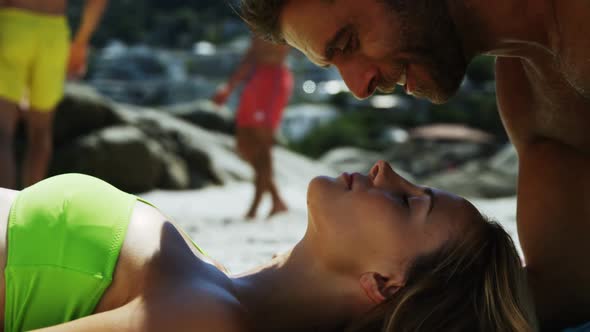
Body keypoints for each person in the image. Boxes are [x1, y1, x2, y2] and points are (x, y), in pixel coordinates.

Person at [238, 0, 590, 329]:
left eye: (348, 43)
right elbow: (562, 289)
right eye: (334, 64)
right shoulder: (528, 88)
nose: (359, 87)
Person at [0, 161, 536, 331]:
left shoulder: (205, 319)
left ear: (383, 284)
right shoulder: (213, 286)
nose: (384, 170)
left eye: (407, 203)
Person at [0, 0, 108, 189]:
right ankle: (33, 212)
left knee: (3, 131)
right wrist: (81, 42)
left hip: (12, 24)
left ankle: (1, 209)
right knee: (41, 131)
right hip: (53, 31)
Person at [212, 36, 293, 220]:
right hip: (257, 81)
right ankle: (277, 199)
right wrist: (229, 88)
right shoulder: (259, 17)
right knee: (244, 144)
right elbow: (251, 56)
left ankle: (255, 207)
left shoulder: (282, 15)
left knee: (263, 149)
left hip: (273, 82)